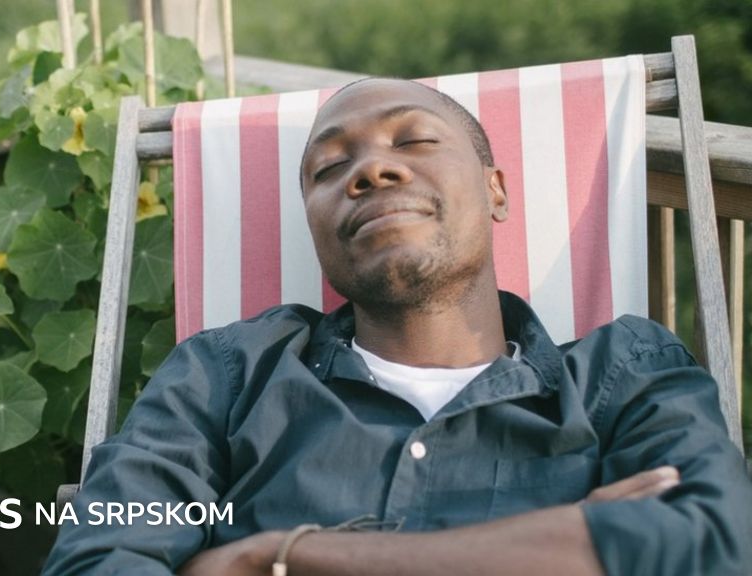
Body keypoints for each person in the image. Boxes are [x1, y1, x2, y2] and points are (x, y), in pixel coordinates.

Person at [42, 78, 752, 575]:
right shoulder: (228, 375)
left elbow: (716, 546)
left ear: (495, 189)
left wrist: (275, 555)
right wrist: (571, 539)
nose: (373, 170)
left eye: (413, 140)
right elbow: (100, 560)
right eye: (330, 167)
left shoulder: (622, 373)